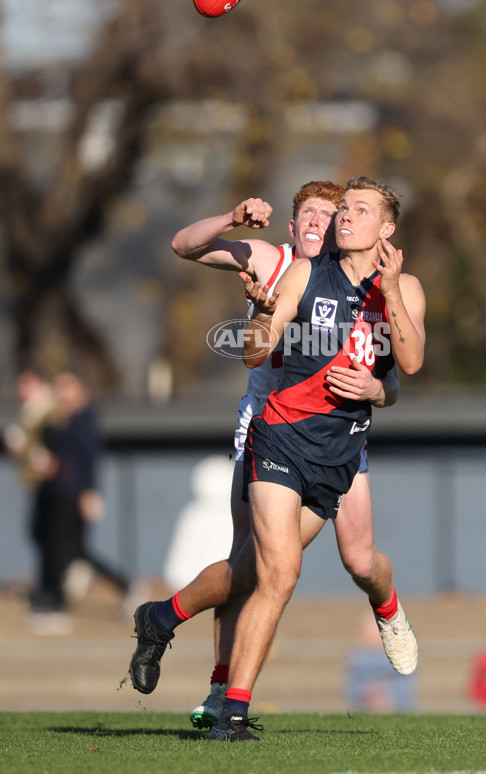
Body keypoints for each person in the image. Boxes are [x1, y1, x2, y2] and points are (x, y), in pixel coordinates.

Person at [129, 175, 426, 741]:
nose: (337, 217)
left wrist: (376, 386)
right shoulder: (299, 269)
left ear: (386, 229)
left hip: (340, 450)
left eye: (354, 209)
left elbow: (406, 368)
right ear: (294, 224)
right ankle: (229, 706)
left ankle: (162, 617)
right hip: (279, 435)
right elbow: (252, 351)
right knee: (279, 571)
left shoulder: (402, 287)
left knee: (320, 565)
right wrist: (262, 315)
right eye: (333, 210)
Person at [52, 370, 135, 607]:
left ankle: (125, 586)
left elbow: (88, 459)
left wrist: (89, 492)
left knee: (75, 548)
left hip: (79, 492)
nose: (61, 393)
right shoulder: (66, 419)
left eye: (66, 386)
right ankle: (82, 578)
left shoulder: (84, 419)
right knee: (74, 547)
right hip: (68, 491)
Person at [3, 370, 68, 628]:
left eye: (25, 385)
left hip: (55, 486)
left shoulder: (49, 411)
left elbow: (54, 449)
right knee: (40, 535)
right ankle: (49, 592)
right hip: (40, 485)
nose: (21, 391)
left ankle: (54, 599)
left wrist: (33, 451)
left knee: (52, 542)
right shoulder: (30, 412)